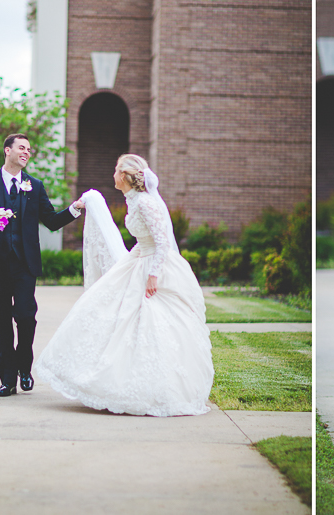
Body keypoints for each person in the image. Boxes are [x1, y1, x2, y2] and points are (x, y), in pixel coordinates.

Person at [33, 154, 214, 417]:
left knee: (152, 322)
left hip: (155, 266)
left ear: (126, 176)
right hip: (139, 258)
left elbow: (162, 242)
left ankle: (156, 389)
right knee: (108, 312)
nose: (113, 174)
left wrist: (153, 275)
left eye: (116, 170)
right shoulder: (133, 201)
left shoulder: (146, 203)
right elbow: (142, 239)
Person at [0, 133, 84, 398]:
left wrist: (74, 209)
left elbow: (52, 221)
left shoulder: (35, 186)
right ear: (7, 150)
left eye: (29, 149)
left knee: (26, 317)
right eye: (22, 148)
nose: (27, 152)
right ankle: (7, 381)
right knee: (2, 323)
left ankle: (24, 369)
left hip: (24, 265)